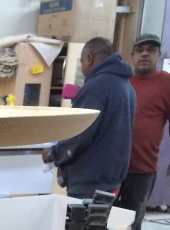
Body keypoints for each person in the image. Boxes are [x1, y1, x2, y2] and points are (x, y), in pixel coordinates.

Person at [113, 34, 170, 230]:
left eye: (151, 50)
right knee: (99, 220)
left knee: (128, 226)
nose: (145, 53)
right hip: (110, 167)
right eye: (140, 50)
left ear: (159, 55)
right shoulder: (121, 81)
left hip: (141, 169)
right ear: (132, 55)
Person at [42, 37, 136, 199]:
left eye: (81, 62)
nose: (82, 67)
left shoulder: (96, 87)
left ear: (89, 58)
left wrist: (53, 153)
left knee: (79, 224)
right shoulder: (127, 86)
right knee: (96, 224)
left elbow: (79, 132)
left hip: (89, 181)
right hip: (111, 180)